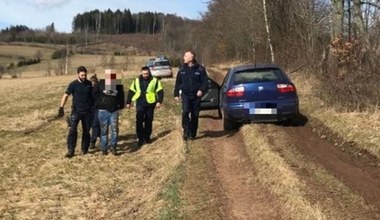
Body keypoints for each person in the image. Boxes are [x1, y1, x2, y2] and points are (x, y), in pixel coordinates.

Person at [58, 66, 93, 158]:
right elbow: (66, 95)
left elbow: (93, 97)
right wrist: (61, 107)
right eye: (82, 75)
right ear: (78, 74)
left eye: (85, 75)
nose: (84, 77)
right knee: (73, 131)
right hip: (76, 112)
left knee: (86, 131)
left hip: (87, 112)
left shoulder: (89, 84)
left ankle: (84, 149)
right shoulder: (73, 84)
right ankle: (71, 150)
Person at [174, 50, 209, 140]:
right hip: (185, 95)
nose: (183, 57)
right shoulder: (181, 70)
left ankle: (193, 133)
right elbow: (178, 83)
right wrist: (176, 94)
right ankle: (186, 131)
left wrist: (201, 90)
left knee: (195, 115)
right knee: (185, 112)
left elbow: (205, 83)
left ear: (191, 58)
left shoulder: (200, 69)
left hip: (196, 96)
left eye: (186, 56)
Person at [126, 66, 164, 147]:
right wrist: (128, 102)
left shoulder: (155, 81)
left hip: (150, 103)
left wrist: (159, 101)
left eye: (146, 73)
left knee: (148, 121)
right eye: (143, 74)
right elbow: (131, 91)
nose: (145, 75)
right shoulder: (136, 80)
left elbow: (160, 91)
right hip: (140, 102)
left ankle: (147, 137)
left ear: (149, 72)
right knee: (139, 121)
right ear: (141, 73)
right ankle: (140, 138)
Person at [96, 69, 125, 155]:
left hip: (114, 111)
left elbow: (121, 96)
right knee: (104, 131)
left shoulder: (118, 85)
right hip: (102, 110)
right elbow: (94, 94)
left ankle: (113, 147)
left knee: (115, 130)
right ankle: (104, 148)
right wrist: (98, 104)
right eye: (109, 76)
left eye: (113, 76)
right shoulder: (100, 84)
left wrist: (121, 106)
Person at [89, 74, 101, 149]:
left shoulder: (99, 88)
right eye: (91, 82)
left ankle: (92, 141)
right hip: (91, 109)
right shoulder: (89, 88)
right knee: (95, 125)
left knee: (95, 124)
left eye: (94, 81)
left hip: (98, 108)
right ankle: (101, 137)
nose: (93, 83)